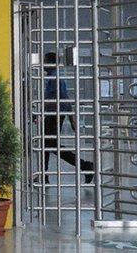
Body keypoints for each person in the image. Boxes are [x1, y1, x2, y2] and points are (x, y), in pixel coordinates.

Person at [41, 52, 94, 183]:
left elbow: (63, 99)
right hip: (52, 114)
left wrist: (72, 119)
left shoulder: (55, 78)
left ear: (50, 63)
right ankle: (44, 175)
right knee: (46, 144)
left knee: (50, 145)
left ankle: (85, 166)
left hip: (55, 114)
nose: (42, 64)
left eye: (45, 60)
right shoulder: (52, 77)